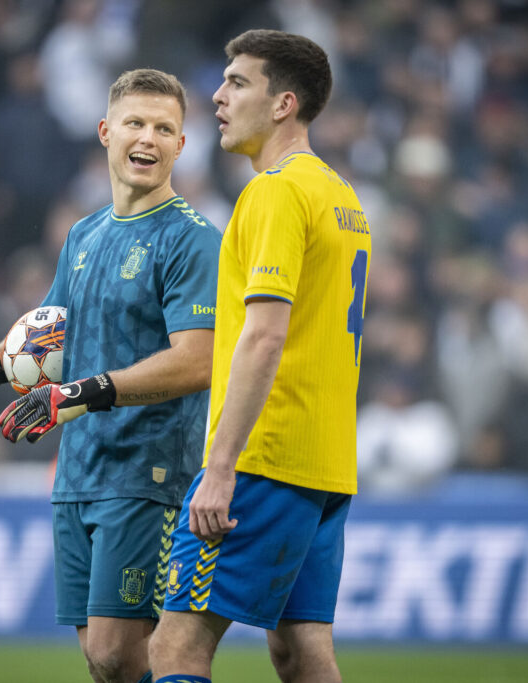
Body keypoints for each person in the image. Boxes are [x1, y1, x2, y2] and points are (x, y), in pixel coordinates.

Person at [0, 69, 222, 683]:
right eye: (136, 123)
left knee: (122, 653)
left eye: (165, 129)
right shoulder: (84, 234)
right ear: (106, 133)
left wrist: (85, 392)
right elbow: (45, 338)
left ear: (182, 146)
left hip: (149, 471)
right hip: (77, 472)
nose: (149, 139)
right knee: (105, 662)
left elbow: (198, 360)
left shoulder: (193, 240)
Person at [148, 30, 371, 683]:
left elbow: (265, 335)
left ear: (284, 104)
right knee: (301, 652)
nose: (216, 96)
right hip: (325, 463)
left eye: (238, 82)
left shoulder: (275, 190)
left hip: (264, 459)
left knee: (175, 647)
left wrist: (220, 468)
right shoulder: (343, 197)